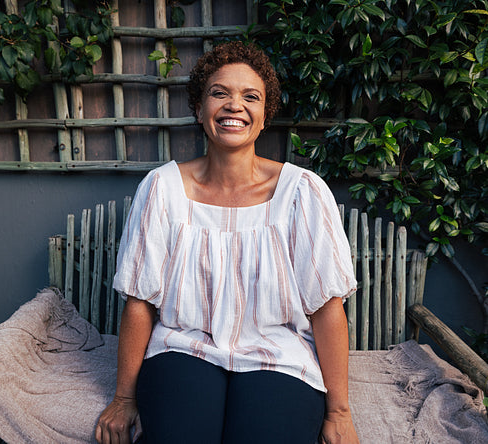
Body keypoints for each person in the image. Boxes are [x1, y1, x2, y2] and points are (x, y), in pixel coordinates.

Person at [95, 41, 360, 444]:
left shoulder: (301, 192)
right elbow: (139, 301)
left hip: (280, 356)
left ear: (265, 115)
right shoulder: (162, 189)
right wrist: (123, 397)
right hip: (182, 348)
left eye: (250, 96)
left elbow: (327, 308)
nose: (234, 105)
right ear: (199, 110)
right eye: (220, 93)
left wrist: (339, 411)